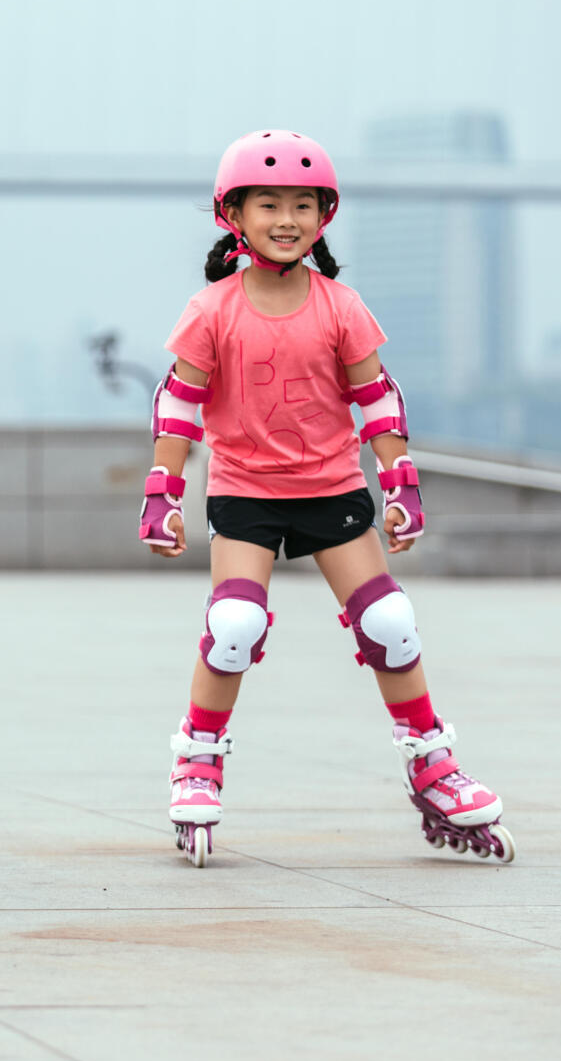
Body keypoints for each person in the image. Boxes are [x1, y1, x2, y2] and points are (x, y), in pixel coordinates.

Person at [138, 129, 513, 868]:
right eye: (268, 203)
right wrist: (164, 492)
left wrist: (400, 482)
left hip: (333, 486)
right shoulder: (211, 309)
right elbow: (178, 404)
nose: (287, 219)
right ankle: (199, 755)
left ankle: (432, 762)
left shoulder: (341, 305)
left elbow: (377, 399)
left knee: (391, 621)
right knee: (235, 624)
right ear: (233, 216)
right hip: (246, 490)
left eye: (303, 205)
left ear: (323, 214)